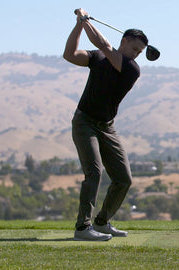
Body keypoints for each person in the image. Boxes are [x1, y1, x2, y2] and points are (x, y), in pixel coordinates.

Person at [63, 8, 147, 241]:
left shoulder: (131, 68)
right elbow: (69, 54)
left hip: (106, 126)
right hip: (84, 122)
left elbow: (104, 44)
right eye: (134, 49)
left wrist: (84, 20)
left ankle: (102, 222)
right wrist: (80, 25)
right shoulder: (98, 58)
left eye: (140, 52)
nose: (136, 54)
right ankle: (83, 227)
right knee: (94, 172)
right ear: (125, 40)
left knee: (123, 178)